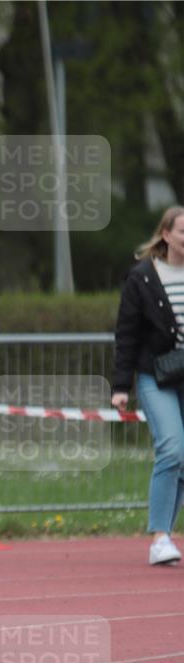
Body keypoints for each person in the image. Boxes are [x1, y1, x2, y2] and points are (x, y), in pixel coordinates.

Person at [111, 205, 184, 565]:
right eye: (183, 232)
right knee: (171, 448)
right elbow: (127, 333)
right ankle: (159, 537)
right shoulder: (142, 277)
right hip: (157, 375)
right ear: (167, 234)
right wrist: (121, 385)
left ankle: (167, 535)